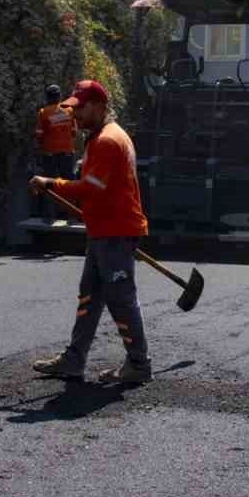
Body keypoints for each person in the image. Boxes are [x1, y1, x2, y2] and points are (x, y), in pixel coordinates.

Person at [29, 81, 153, 384]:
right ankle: (74, 360)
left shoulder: (107, 141)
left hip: (115, 231)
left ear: (98, 106)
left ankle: (138, 364)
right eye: (73, 109)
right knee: (90, 296)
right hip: (105, 230)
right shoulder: (102, 137)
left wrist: (51, 184)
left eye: (80, 108)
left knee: (121, 298)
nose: (75, 115)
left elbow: (89, 189)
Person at [34, 84, 76, 219]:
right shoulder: (69, 111)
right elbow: (74, 132)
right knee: (68, 183)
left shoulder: (43, 112)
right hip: (67, 152)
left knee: (49, 183)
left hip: (49, 153)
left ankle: (50, 216)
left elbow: (39, 134)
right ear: (59, 97)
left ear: (47, 97)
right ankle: (71, 215)